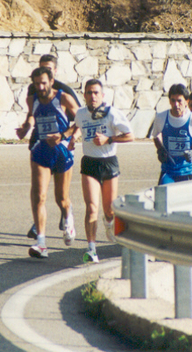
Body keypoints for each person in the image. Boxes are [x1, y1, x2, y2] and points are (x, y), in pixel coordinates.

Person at [66, 79, 134, 263]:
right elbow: (79, 126)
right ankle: (91, 249)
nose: (93, 96)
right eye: (89, 92)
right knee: (91, 208)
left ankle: (109, 222)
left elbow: (130, 136)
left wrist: (108, 139)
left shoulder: (112, 114)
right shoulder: (81, 113)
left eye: (96, 92)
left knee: (109, 210)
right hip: (89, 164)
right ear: (85, 95)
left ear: (102, 95)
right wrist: (72, 138)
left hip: (109, 163)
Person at [16, 66, 79, 259]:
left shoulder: (63, 98)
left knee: (61, 198)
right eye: (37, 84)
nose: (40, 87)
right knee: (39, 196)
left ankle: (68, 216)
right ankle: (41, 243)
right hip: (41, 151)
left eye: (43, 83)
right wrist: (26, 127)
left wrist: (65, 136)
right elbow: (32, 115)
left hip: (61, 151)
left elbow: (82, 121)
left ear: (51, 81)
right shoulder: (32, 99)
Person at [151, 83, 192, 185]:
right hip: (168, 170)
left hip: (188, 171)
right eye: (173, 100)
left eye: (179, 101)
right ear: (169, 101)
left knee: (185, 200)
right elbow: (155, 136)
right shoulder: (161, 117)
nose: (176, 104)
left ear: (186, 101)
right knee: (163, 197)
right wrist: (160, 149)